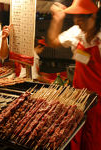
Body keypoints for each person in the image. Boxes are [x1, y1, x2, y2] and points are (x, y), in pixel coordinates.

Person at [47, 0, 101, 150]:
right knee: (75, 135)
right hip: (78, 99)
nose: (77, 21)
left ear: (94, 17)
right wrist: (57, 20)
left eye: (82, 17)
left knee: (93, 139)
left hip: (98, 104)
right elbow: (52, 41)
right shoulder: (77, 32)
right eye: (76, 17)